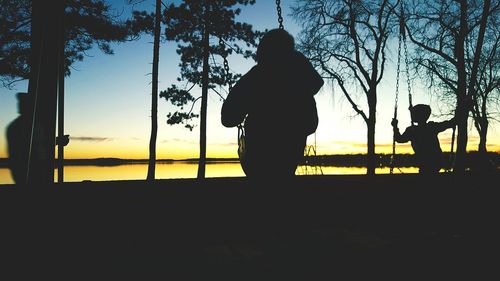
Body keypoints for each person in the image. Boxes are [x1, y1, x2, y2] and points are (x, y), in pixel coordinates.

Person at [221, 29, 324, 179]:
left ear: (262, 51)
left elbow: (228, 119)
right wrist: (299, 61)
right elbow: (316, 84)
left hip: (260, 156)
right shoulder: (299, 80)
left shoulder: (255, 78)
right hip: (291, 152)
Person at [391, 104, 456, 174]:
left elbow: (399, 139)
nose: (411, 115)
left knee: (425, 175)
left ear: (418, 115)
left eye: (413, 113)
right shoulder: (431, 127)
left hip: (427, 162)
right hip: (435, 161)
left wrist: (395, 127)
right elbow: (449, 123)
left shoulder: (412, 130)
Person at [6, 92, 34, 184]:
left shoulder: (17, 125)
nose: (19, 105)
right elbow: (29, 148)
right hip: (26, 172)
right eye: (21, 103)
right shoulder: (17, 126)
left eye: (21, 103)